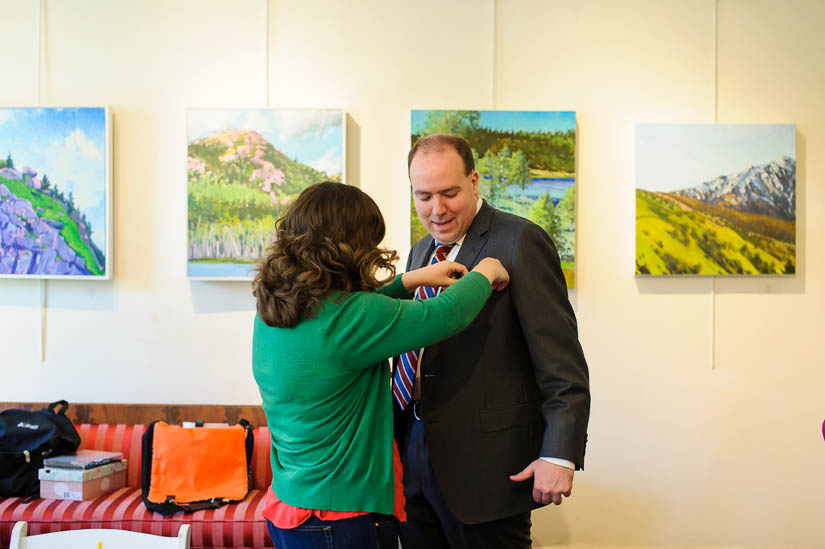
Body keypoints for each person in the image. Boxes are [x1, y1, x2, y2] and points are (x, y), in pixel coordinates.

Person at [251, 181, 510, 549]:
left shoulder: (276, 310)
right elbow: (445, 314)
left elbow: (349, 316)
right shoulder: (351, 320)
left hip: (290, 510)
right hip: (341, 521)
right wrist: (485, 272)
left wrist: (410, 279)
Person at [395, 134, 591, 549]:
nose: (437, 209)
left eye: (449, 193)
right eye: (424, 196)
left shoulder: (521, 240)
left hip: (486, 469)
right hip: (411, 462)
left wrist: (561, 455)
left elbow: (561, 363)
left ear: (475, 181)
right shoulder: (419, 253)